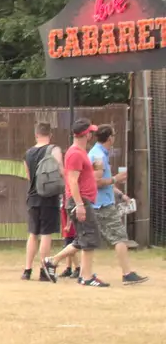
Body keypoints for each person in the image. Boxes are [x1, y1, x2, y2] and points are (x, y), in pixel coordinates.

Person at [90, 124, 147, 285]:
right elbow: (97, 182)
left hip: (101, 203)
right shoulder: (98, 157)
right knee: (120, 237)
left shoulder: (99, 154)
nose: (114, 137)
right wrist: (117, 179)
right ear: (110, 138)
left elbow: (104, 181)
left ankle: (53, 260)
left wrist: (121, 194)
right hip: (102, 205)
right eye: (114, 135)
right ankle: (127, 274)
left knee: (84, 240)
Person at [58, 118, 106, 287]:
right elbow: (72, 181)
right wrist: (79, 205)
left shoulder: (79, 152)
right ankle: (86, 277)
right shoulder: (76, 153)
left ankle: (55, 263)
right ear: (86, 134)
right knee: (90, 238)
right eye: (90, 132)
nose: (92, 134)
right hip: (80, 201)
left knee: (85, 238)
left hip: (82, 200)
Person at [23, 121, 61, 282]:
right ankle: (44, 270)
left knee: (33, 234)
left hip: (32, 197)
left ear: (36, 135)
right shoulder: (54, 149)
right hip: (48, 196)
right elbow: (60, 170)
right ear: (50, 135)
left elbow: (28, 176)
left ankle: (27, 270)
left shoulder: (28, 153)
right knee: (46, 234)